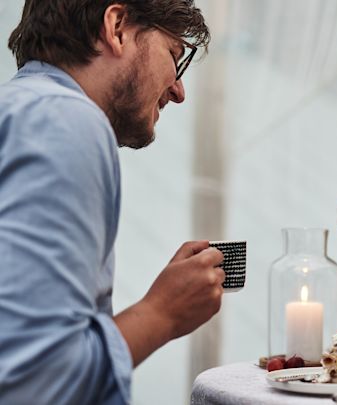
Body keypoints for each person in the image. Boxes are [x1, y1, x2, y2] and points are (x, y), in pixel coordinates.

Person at [0, 1, 225, 403]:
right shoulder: (67, 120)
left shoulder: (21, 110)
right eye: (175, 55)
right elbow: (34, 381)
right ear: (117, 26)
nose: (179, 90)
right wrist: (161, 313)